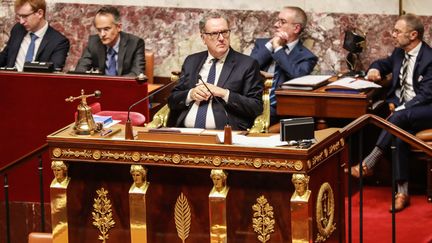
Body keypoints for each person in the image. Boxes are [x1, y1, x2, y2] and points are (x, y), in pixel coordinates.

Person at [349, 14, 432, 212]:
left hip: (426, 108)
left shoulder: (430, 58)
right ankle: (402, 192)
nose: (393, 34)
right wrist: (374, 69)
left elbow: (426, 95)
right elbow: (383, 63)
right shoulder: (399, 52)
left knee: (398, 118)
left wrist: (400, 109)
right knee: (398, 136)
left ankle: (370, 162)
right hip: (403, 113)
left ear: (413, 35)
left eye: (397, 31)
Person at [167, 11, 263, 131]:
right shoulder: (192, 61)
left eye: (224, 32)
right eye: (214, 34)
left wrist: (224, 93)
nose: (221, 38)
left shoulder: (247, 64)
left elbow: (256, 107)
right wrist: (190, 94)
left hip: (224, 134)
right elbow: (172, 100)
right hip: (185, 132)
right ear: (203, 38)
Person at [250, 6, 317, 124]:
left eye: (282, 22)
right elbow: (248, 67)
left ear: (296, 28)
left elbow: (296, 76)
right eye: (277, 20)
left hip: (279, 109)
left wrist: (278, 48)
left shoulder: (307, 57)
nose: (276, 24)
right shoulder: (262, 45)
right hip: (252, 102)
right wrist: (271, 44)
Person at [0, 0, 70, 71]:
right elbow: (5, 56)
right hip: (11, 80)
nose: (21, 21)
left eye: (25, 16)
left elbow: (54, 72)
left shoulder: (59, 42)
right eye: (19, 16)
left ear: (40, 13)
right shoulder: (18, 29)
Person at [75, 6, 145, 76]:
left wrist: (112, 84)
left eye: (106, 29)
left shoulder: (135, 43)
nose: (102, 34)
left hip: (123, 86)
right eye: (99, 30)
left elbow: (136, 74)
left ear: (118, 27)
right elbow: (80, 72)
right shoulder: (93, 42)